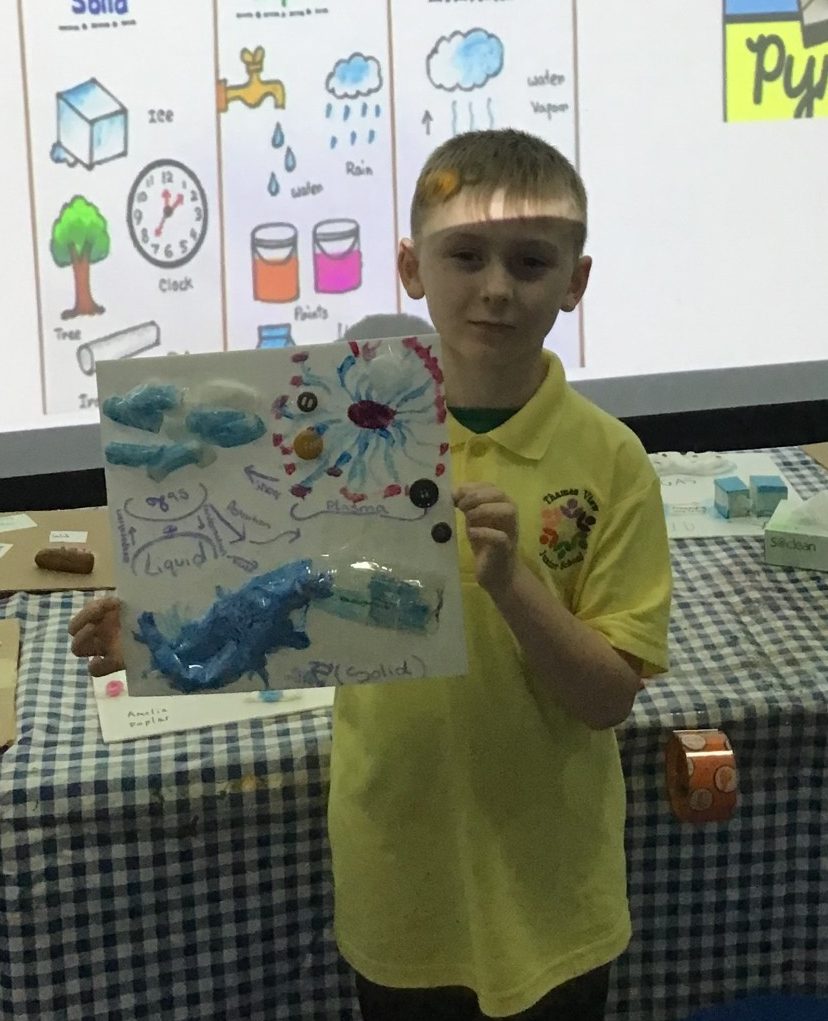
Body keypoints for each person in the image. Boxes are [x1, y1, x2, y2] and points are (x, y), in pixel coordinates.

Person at [70, 128, 672, 1020]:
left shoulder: (613, 463)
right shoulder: (333, 433)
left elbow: (608, 698)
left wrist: (514, 585)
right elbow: (277, 602)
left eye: (530, 262)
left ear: (575, 282)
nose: (497, 287)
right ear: (410, 267)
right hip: (400, 878)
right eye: (465, 255)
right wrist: (162, 632)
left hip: (552, 892)